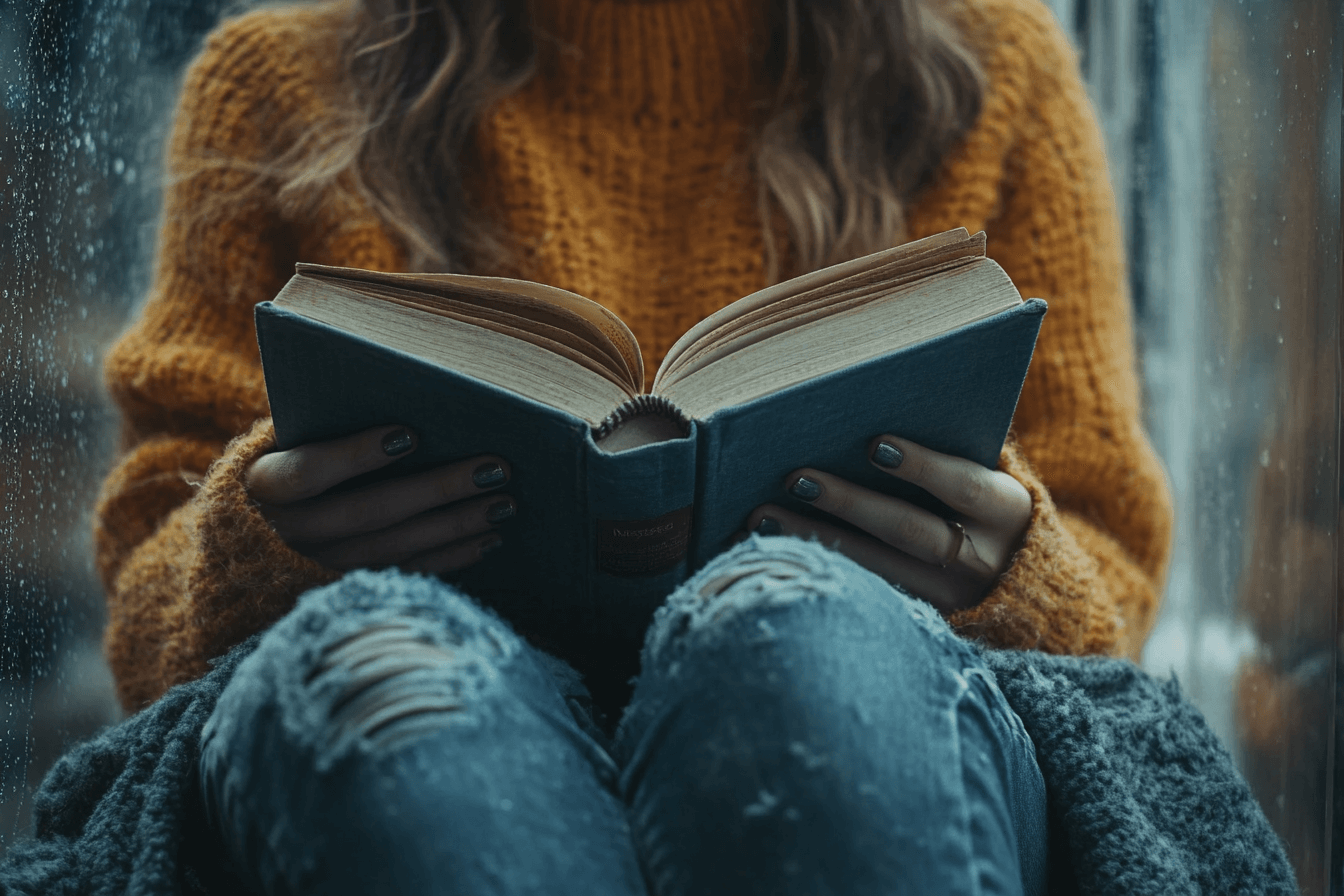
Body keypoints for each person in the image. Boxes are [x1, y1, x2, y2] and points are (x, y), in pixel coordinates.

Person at [93, 0, 1174, 892]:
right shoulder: (276, 83)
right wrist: (256, 541)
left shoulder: (992, 66)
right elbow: (148, 615)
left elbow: (1109, 587)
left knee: (799, 649)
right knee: (385, 676)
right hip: (424, 746)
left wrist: (1005, 560)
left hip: (869, 735)